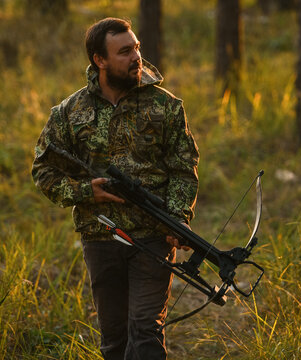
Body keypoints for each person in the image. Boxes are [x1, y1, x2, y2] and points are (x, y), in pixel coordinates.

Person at [32, 17, 199, 360]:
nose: (136, 56)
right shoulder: (68, 112)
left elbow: (184, 168)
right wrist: (84, 192)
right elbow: (44, 172)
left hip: (153, 237)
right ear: (100, 60)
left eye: (136, 47)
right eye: (124, 51)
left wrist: (178, 217)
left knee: (146, 332)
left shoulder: (166, 106)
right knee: (114, 340)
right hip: (100, 238)